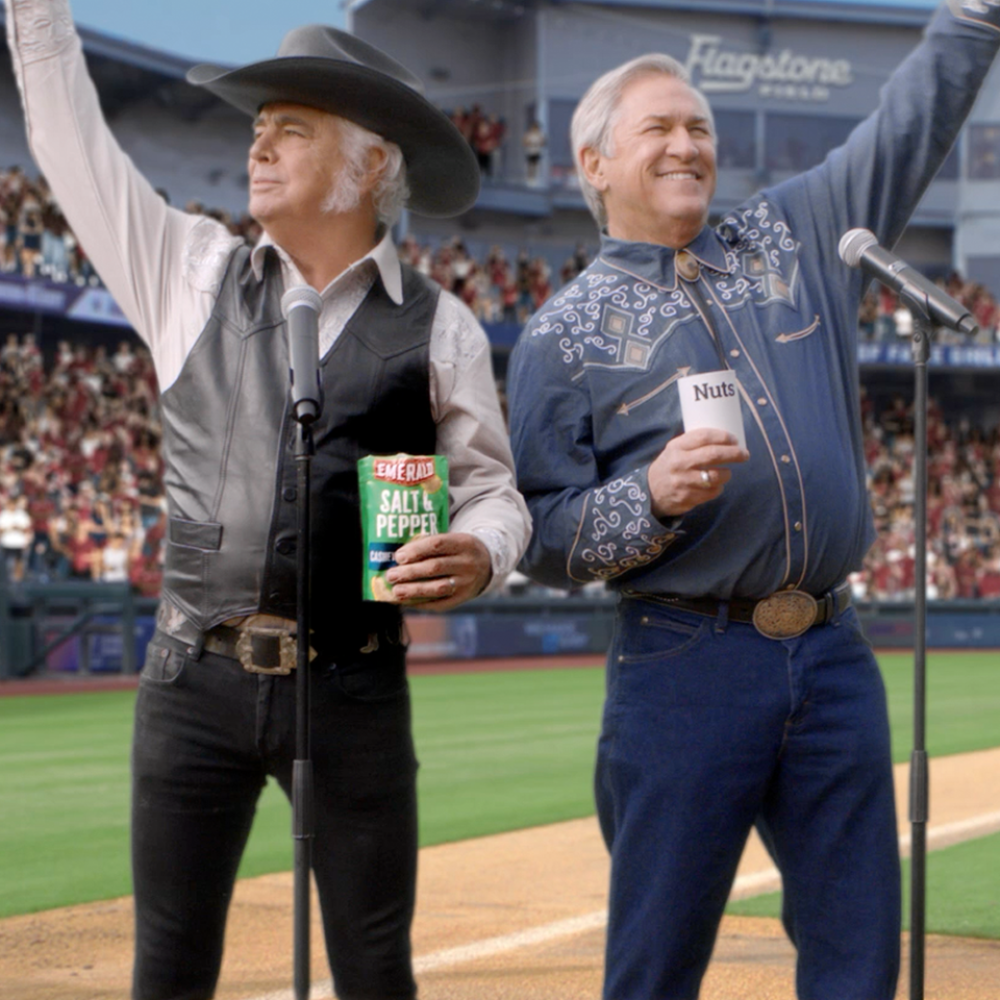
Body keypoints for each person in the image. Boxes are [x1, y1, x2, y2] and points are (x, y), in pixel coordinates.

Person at [7, 3, 531, 999]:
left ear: (368, 167)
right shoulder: (191, 270)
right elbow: (74, 149)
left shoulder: (441, 324)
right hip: (191, 678)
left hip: (354, 685)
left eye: (291, 128)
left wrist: (479, 549)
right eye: (259, 127)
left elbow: (491, 490)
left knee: (374, 970)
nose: (258, 144)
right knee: (169, 969)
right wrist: (37, 16)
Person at [506, 3, 1000, 998]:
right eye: (658, 127)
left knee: (859, 948)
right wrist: (646, 497)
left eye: (698, 127)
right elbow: (542, 536)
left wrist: (969, 18)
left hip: (832, 647)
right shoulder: (560, 335)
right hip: (685, 660)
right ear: (593, 163)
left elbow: (906, 127)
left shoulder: (791, 231)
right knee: (656, 959)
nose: (686, 144)